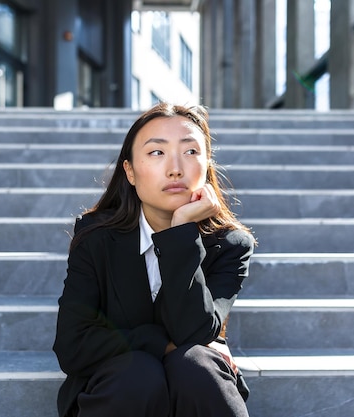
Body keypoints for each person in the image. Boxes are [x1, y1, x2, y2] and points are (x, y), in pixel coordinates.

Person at [53, 102, 256, 417]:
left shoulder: (230, 244)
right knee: (140, 374)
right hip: (120, 389)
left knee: (195, 365)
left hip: (197, 387)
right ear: (130, 172)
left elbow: (193, 334)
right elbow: (72, 344)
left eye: (190, 152)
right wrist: (161, 345)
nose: (175, 168)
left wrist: (181, 233)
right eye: (157, 153)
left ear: (207, 166)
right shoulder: (96, 237)